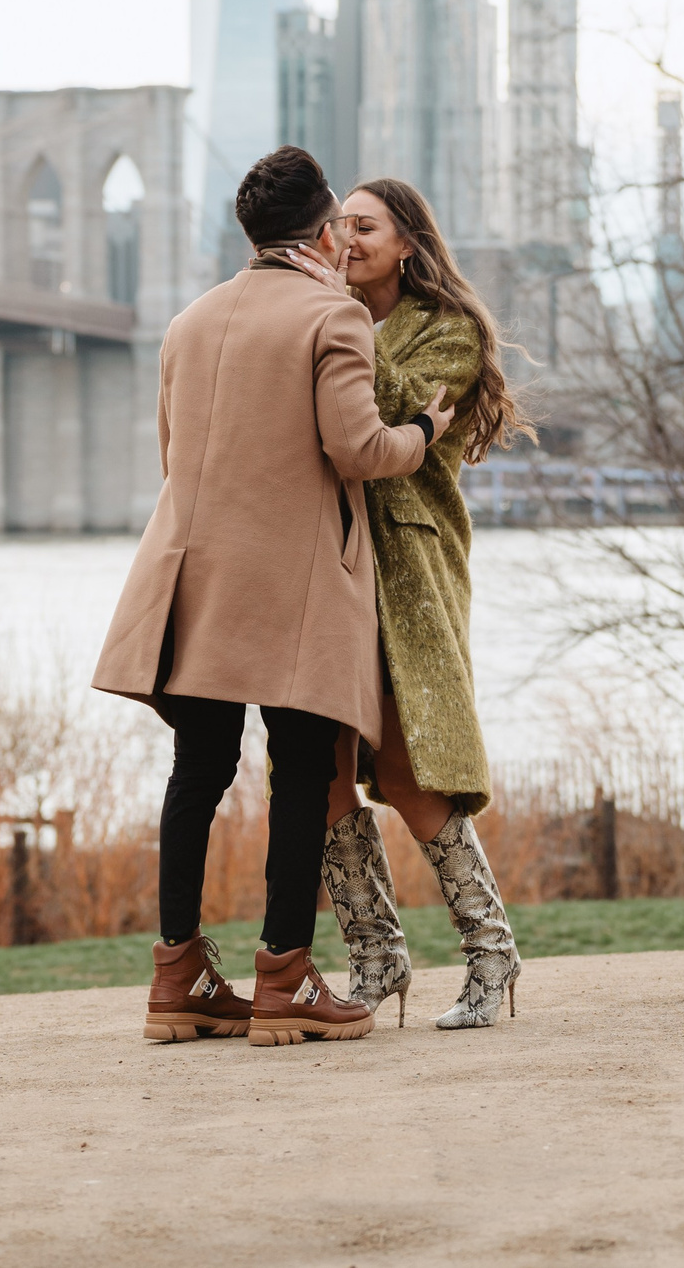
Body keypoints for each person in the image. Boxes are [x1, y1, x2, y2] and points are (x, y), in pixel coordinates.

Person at [90, 147, 456, 1048]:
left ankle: (176, 978)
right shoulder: (333, 315)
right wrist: (424, 429)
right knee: (298, 776)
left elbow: (175, 456)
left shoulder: (188, 321)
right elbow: (358, 450)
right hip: (293, 589)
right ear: (324, 230)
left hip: (190, 584)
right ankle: (282, 982)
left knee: (198, 774)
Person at [281, 177, 532, 1031]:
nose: (344, 237)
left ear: (407, 246)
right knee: (318, 771)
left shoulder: (449, 332)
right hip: (330, 559)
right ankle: (378, 957)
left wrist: (331, 308)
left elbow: (385, 411)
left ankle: (491, 956)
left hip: (410, 564)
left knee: (412, 771)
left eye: (364, 225)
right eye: (337, 224)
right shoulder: (326, 314)